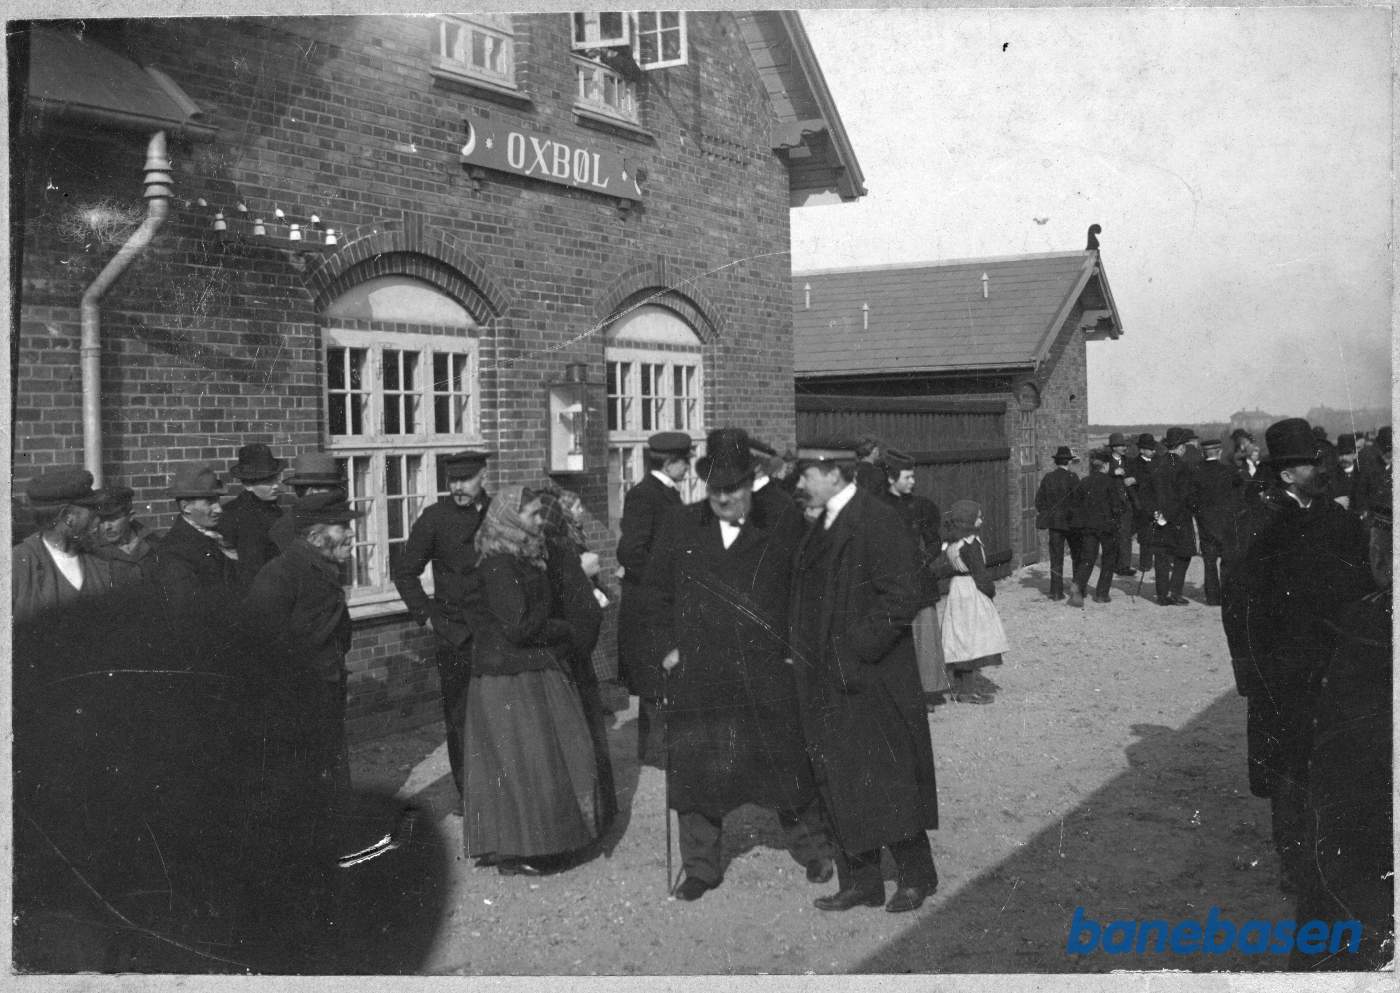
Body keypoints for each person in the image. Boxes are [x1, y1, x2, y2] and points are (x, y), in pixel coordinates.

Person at [648, 428, 835, 901]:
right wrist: (666, 647)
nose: (722, 498)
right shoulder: (679, 526)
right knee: (696, 774)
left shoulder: (783, 525)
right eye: (714, 489)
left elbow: (806, 593)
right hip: (700, 672)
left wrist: (797, 649)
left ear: (751, 485)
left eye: (732, 488)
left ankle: (814, 850)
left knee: (787, 762)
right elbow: (653, 595)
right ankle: (701, 868)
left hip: (765, 669)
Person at [1225, 418, 1373, 895]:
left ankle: (1323, 854)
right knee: (1288, 768)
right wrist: (1250, 673)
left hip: (1331, 665)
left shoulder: (1338, 518)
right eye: (1313, 464)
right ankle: (1294, 861)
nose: (1323, 470)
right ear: (1287, 474)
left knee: (1329, 763)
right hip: (1281, 670)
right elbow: (1239, 608)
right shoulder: (1257, 522)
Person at [791, 446, 939, 914]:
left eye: (807, 473)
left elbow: (904, 594)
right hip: (825, 678)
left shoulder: (876, 518)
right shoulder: (822, 520)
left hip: (871, 677)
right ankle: (862, 881)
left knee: (888, 776)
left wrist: (855, 649)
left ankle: (917, 877)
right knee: (840, 778)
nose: (801, 482)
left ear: (835, 474)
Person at [461, 485, 600, 877]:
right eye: (533, 515)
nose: (541, 521)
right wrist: (566, 628)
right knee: (525, 763)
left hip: (525, 669)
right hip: (509, 675)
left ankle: (534, 844)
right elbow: (519, 625)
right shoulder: (498, 565)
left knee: (534, 762)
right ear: (508, 520)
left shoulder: (520, 559)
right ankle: (524, 848)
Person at [1291, 509, 1392, 970]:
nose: (1378, 550)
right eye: (1379, 535)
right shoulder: (1365, 613)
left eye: (1386, 537)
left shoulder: (1371, 621)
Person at [244, 491, 364, 803]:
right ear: (315, 535)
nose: (351, 534)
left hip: (324, 687)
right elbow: (260, 644)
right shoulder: (280, 574)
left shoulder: (320, 568)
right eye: (341, 526)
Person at [392, 449, 494, 800]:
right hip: (455, 635)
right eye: (452, 481)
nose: (458, 487)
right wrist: (428, 616)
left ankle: (501, 797)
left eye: (466, 479)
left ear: (484, 476)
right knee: (461, 718)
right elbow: (405, 572)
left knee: (500, 713)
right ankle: (471, 796)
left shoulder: (498, 513)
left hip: (498, 634)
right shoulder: (435, 518)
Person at [536, 481, 617, 834]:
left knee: (579, 742)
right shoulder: (542, 555)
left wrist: (570, 649)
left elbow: (586, 614)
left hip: (565, 662)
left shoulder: (557, 556)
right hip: (565, 660)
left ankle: (590, 819)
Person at [616, 431, 693, 764]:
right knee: (653, 677)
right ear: (671, 462)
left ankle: (661, 750)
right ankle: (655, 753)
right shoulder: (645, 496)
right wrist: (662, 580)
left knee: (662, 676)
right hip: (648, 603)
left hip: (660, 599)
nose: (688, 468)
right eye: (685, 462)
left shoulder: (665, 493)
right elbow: (629, 552)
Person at [878, 448, 949, 705]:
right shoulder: (875, 508)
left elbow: (933, 541)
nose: (912, 482)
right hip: (887, 584)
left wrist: (923, 558)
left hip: (918, 583)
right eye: (907, 477)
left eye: (913, 476)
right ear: (891, 478)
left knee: (924, 636)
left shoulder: (921, 507)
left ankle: (926, 692)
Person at [12, 468, 113, 624]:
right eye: (92, 509)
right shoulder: (16, 566)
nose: (98, 519)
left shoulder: (105, 560)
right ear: (68, 517)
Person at [939, 500, 1009, 701]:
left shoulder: (953, 543)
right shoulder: (971, 543)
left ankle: (962, 688)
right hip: (971, 590)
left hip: (957, 590)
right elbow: (980, 572)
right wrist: (989, 591)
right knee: (973, 638)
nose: (981, 519)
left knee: (960, 636)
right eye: (978, 516)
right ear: (968, 520)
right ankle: (969, 691)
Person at [152, 462, 240, 613]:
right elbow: (187, 611)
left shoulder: (219, 535)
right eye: (209, 503)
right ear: (186, 507)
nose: (218, 509)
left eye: (217, 500)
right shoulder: (173, 551)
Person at [1140, 427, 1198, 606]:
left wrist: (1155, 513)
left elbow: (1144, 494)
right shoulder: (1184, 467)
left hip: (1158, 520)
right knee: (1184, 555)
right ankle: (1175, 592)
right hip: (1179, 519)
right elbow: (1185, 496)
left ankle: (1162, 595)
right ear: (1181, 447)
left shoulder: (1153, 464)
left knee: (1161, 557)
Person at [219, 443, 287, 588]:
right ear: (248, 485)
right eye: (268, 481)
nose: (275, 485)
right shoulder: (232, 515)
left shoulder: (277, 512)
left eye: (275, 479)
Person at [1066, 449, 1125, 606]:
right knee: (1108, 559)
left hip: (1088, 527)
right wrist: (1117, 522)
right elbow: (1117, 507)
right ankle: (1101, 594)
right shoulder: (1111, 482)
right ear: (1105, 466)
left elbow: (1076, 505)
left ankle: (1077, 586)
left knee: (1087, 559)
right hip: (1107, 527)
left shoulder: (1084, 482)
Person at [1191, 438, 1238, 606]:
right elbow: (1239, 495)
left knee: (1209, 562)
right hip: (1226, 523)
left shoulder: (1196, 471)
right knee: (1227, 561)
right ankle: (1227, 595)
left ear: (1204, 453)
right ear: (1219, 452)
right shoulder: (1230, 471)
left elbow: (1192, 499)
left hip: (1205, 523)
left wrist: (1199, 515)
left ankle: (1212, 598)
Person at [270, 451, 347, 552]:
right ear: (311, 491)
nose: (334, 496)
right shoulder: (285, 528)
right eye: (330, 491)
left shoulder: (333, 519)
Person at [1033, 445, 1081, 600]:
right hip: (1071, 523)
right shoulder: (1073, 478)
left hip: (1054, 524)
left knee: (1055, 558)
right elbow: (1078, 501)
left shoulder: (1048, 478)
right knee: (1077, 556)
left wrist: (1049, 513)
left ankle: (1056, 592)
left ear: (1056, 461)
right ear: (1069, 462)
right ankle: (1077, 590)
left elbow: (1039, 501)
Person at [90, 484, 160, 586]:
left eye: (113, 519)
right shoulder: (91, 551)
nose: (107, 527)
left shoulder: (153, 544)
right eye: (102, 520)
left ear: (130, 516)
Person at [1106, 433, 1137, 575]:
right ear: (1113, 448)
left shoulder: (1129, 461)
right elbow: (1099, 478)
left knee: (1125, 535)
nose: (1124, 448)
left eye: (1124, 445)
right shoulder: (1106, 463)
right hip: (1111, 505)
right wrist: (1112, 472)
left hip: (1126, 505)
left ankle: (1124, 566)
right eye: (1120, 445)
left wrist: (1133, 479)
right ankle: (1112, 564)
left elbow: (1139, 475)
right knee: (1112, 536)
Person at [1126, 433, 1158, 572]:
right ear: (1142, 450)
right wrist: (1138, 505)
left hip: (1157, 504)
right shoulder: (1133, 464)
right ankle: (1145, 564)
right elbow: (1129, 485)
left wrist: (1138, 479)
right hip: (1141, 506)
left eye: (1154, 448)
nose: (1154, 451)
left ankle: (1163, 562)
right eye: (1150, 448)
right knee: (1145, 536)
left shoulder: (1158, 462)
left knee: (1160, 536)